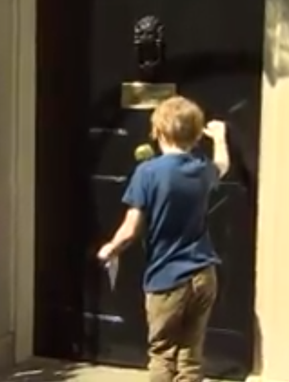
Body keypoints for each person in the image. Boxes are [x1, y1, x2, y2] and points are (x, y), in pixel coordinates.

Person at [96, 95, 230, 382]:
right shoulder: (201, 168)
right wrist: (219, 137)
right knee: (190, 355)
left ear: (157, 132)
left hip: (167, 278)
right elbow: (223, 165)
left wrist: (110, 249)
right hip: (204, 275)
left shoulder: (147, 173)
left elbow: (130, 229)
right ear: (196, 134)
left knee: (163, 353)